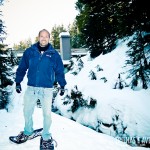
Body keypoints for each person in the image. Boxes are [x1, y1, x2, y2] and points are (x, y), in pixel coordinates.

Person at [14, 29, 67, 149]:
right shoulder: (30, 52)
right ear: (38, 37)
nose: (43, 38)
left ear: (49, 38)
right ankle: (28, 131)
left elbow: (59, 71)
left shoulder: (54, 54)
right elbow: (22, 67)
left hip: (47, 89)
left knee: (47, 114)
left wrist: (62, 85)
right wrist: (18, 82)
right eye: (41, 36)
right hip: (31, 87)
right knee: (27, 111)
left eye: (46, 36)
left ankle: (46, 137)